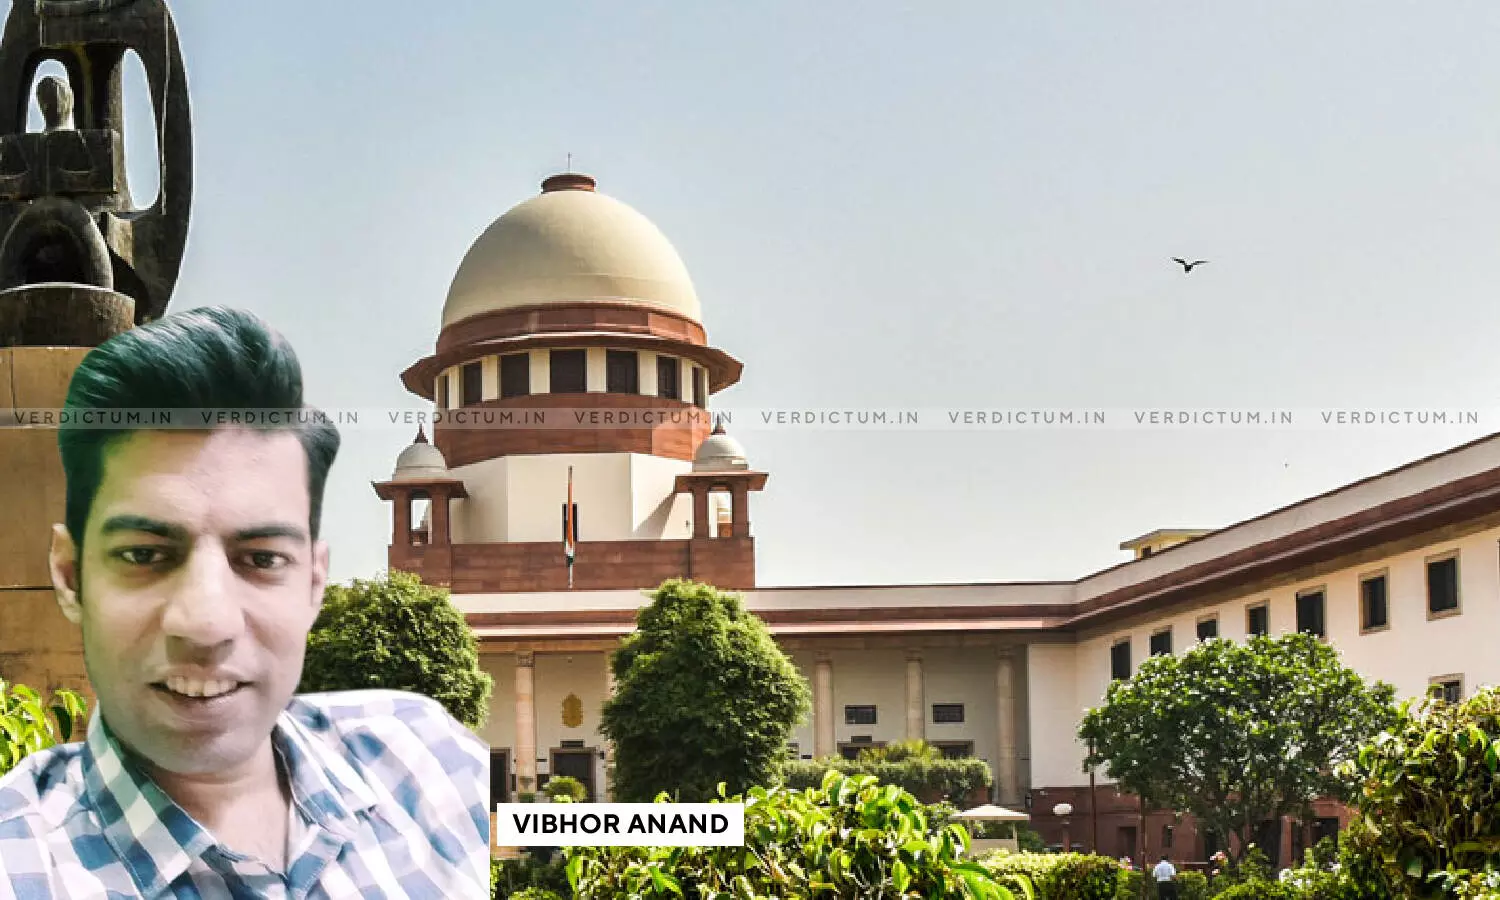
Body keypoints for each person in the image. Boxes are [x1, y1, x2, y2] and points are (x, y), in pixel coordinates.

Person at [0, 307, 490, 898]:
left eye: (260, 559)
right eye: (144, 555)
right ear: (70, 575)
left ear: (314, 583)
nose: (207, 624)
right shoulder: (22, 862)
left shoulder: (427, 763)